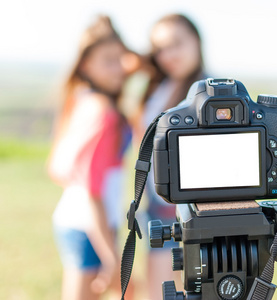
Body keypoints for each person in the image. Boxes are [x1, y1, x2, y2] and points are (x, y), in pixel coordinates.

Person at [48, 15, 136, 300]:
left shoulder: (85, 98)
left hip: (88, 222)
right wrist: (111, 258)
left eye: (121, 59)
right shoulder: (103, 113)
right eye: (109, 60)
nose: (120, 68)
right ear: (87, 65)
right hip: (88, 225)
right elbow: (91, 192)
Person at [137, 14, 207, 300]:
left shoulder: (208, 92)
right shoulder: (162, 85)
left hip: (189, 214)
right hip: (157, 208)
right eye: (159, 49)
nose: (169, 55)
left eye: (177, 44)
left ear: (197, 42)